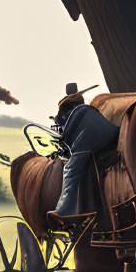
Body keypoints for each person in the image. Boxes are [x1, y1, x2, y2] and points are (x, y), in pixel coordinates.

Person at [52, 82, 118, 220]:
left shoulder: (65, 108)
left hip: (89, 138)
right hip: (113, 133)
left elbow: (65, 132)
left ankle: (65, 211)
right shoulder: (85, 105)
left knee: (70, 170)